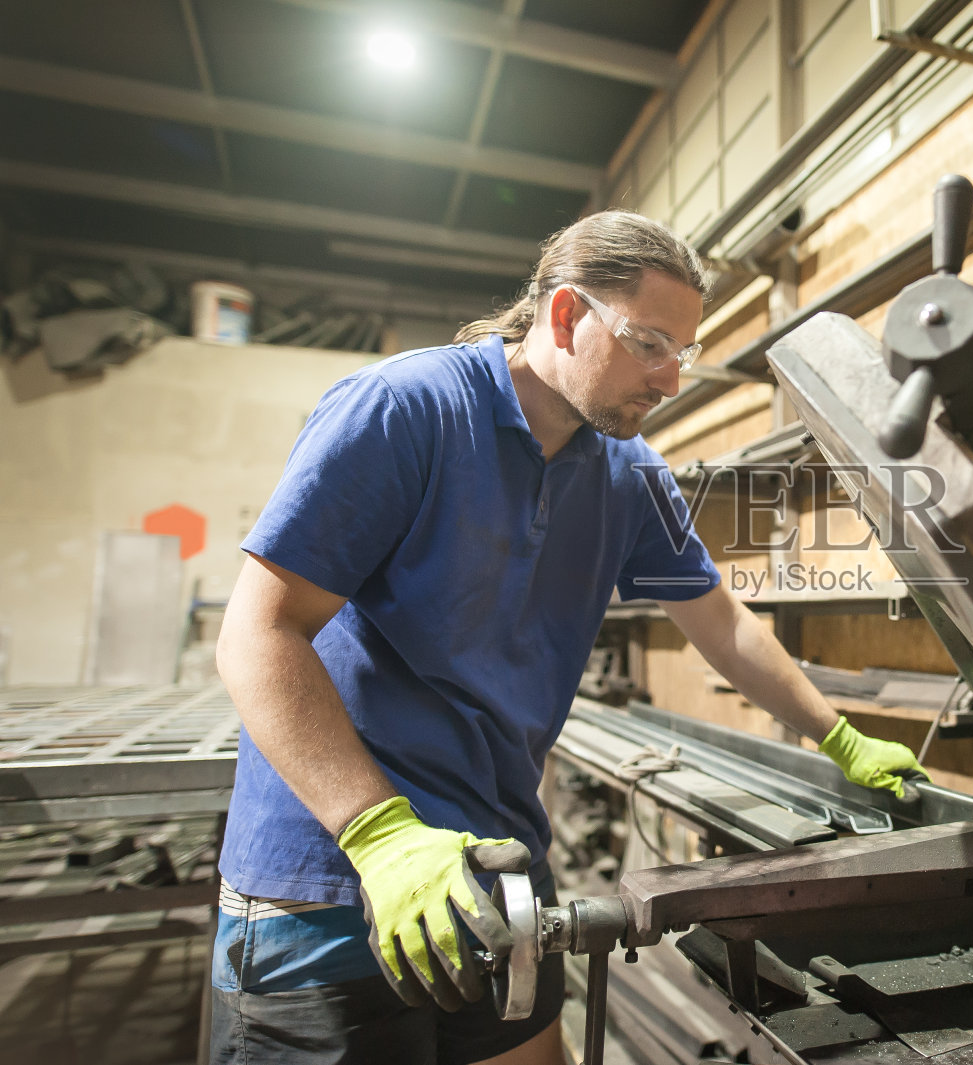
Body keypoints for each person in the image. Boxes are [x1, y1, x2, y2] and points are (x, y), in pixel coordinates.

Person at [210, 210, 929, 1065]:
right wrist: (379, 833)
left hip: (497, 864)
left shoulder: (628, 476)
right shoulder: (408, 410)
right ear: (563, 315)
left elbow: (722, 623)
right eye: (650, 344)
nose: (670, 381)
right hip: (333, 880)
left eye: (683, 354)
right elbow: (258, 631)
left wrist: (839, 734)